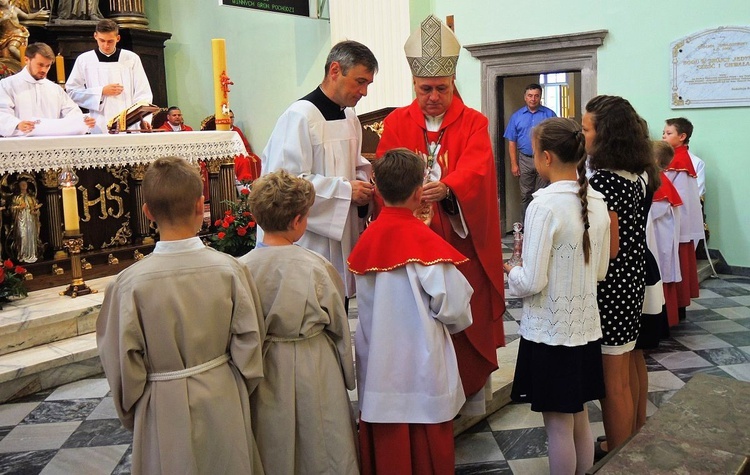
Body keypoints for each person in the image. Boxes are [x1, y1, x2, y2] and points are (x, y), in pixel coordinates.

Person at [96, 156, 266, 474]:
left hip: (161, 403)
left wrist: (136, 410)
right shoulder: (230, 270)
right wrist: (237, 388)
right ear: (201, 206)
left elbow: (120, 364)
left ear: (147, 213)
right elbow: (250, 343)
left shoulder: (128, 284)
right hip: (222, 394)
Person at [375, 14, 505, 414]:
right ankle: (424, 396)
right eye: (424, 88)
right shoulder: (396, 121)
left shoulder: (473, 122)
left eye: (440, 89)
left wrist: (449, 187)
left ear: (452, 84)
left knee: (465, 309)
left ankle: (469, 399)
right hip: (412, 241)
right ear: (413, 85)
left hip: (458, 238)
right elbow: (385, 167)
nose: (432, 96)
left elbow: (478, 168)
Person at [348, 148, 473, 475]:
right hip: (423, 365)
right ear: (420, 193)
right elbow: (455, 307)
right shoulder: (424, 243)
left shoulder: (367, 239)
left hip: (379, 365)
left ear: (376, 189)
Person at [504, 118, 609, 475]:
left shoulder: (544, 205)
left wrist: (511, 272)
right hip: (585, 327)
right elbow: (599, 272)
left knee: (558, 426)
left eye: (533, 152)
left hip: (551, 331)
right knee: (579, 416)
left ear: (546, 157)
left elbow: (532, 280)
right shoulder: (596, 199)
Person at [239, 170, 358, 474]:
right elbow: (339, 326)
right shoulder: (316, 267)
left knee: (271, 441)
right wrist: (347, 375)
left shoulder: (239, 269)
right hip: (313, 362)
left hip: (262, 364)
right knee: (321, 442)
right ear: (297, 222)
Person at [261, 40, 377, 303]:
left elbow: (357, 165)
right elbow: (283, 186)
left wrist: (362, 186)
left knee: (338, 307)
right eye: (360, 81)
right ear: (335, 70)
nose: (364, 91)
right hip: (308, 241)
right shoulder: (299, 117)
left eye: (368, 83)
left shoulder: (350, 117)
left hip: (343, 236)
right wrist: (346, 190)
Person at [583, 95, 657, 459]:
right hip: (631, 278)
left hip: (612, 283)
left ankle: (618, 455)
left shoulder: (607, 182)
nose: (582, 136)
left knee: (613, 383)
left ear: (605, 134)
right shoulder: (637, 172)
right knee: (625, 370)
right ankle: (627, 444)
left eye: (586, 129)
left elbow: (608, 245)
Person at [66, 19, 153, 132]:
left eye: (110, 41)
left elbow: (143, 92)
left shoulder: (131, 58)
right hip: (99, 123)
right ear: (95, 36)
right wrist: (101, 92)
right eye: (102, 40)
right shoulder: (84, 60)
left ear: (118, 38)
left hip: (130, 124)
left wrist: (144, 119)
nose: (106, 45)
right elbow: (72, 92)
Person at [0, 43, 94, 137]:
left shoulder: (55, 89)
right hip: (19, 143)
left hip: (50, 143)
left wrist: (82, 121)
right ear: (26, 60)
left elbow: (71, 112)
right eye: (40, 65)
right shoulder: (7, 85)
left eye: (47, 66)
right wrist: (17, 124)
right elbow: (2, 112)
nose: (44, 70)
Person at [662, 118, 703, 319]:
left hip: (676, 222)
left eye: (668, 133)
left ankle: (676, 309)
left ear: (682, 136)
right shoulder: (679, 157)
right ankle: (678, 308)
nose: (663, 136)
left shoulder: (677, 161)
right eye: (664, 133)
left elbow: (673, 194)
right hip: (679, 221)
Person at [503, 83, 557, 221]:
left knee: (543, 193)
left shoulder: (549, 114)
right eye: (530, 96)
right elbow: (512, 142)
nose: (533, 99)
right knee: (526, 194)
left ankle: (541, 222)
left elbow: (558, 138)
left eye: (536, 96)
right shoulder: (516, 117)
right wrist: (514, 164)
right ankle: (526, 225)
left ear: (540, 97)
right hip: (525, 160)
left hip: (544, 159)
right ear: (525, 97)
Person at [650, 141, 683, 328]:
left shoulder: (660, 182)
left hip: (661, 239)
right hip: (658, 236)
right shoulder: (659, 179)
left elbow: (655, 211)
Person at [11, 177, 42, 263]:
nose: (24, 186)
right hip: (21, 219)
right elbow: (12, 208)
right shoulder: (17, 198)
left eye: (25, 184)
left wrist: (36, 210)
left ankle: (32, 254)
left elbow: (35, 209)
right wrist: (19, 207)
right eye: (22, 184)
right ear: (19, 186)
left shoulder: (31, 197)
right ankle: (22, 255)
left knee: (31, 236)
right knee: (22, 236)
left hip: (30, 220)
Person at [230, 110, 261, 183]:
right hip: (231, 155)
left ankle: (258, 184)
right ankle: (244, 187)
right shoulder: (220, 131)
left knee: (256, 159)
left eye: (232, 117)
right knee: (244, 162)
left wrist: (247, 153)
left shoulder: (236, 130)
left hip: (241, 153)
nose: (230, 119)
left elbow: (245, 144)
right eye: (228, 117)